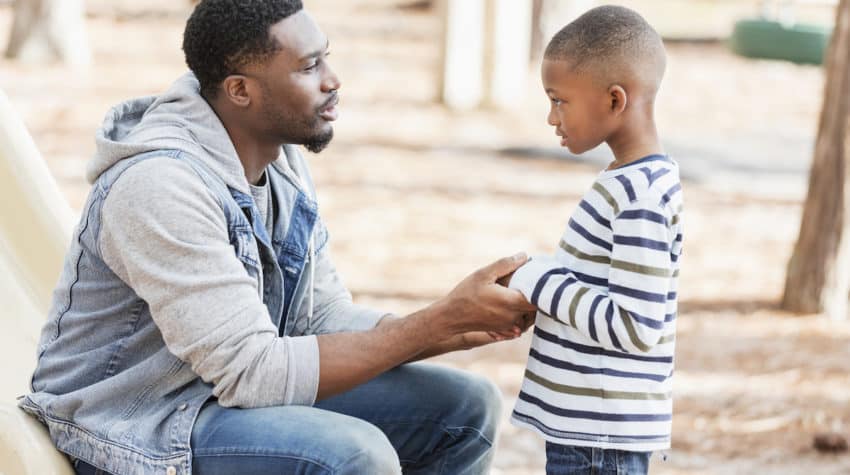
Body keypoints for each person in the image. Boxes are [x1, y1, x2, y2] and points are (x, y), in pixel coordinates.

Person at [18, 1, 537, 474]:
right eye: (309, 67)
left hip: (217, 397)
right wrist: (429, 327)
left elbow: (318, 317)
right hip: (131, 427)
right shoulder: (159, 185)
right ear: (241, 90)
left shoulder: (277, 157)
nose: (333, 81)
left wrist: (452, 325)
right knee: (353, 456)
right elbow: (253, 373)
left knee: (465, 409)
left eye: (326, 59)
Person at [503, 6, 684, 475]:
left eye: (559, 100)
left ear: (615, 100)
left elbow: (635, 325)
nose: (550, 117)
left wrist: (538, 280)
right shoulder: (629, 181)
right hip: (590, 431)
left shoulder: (638, 194)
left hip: (600, 438)